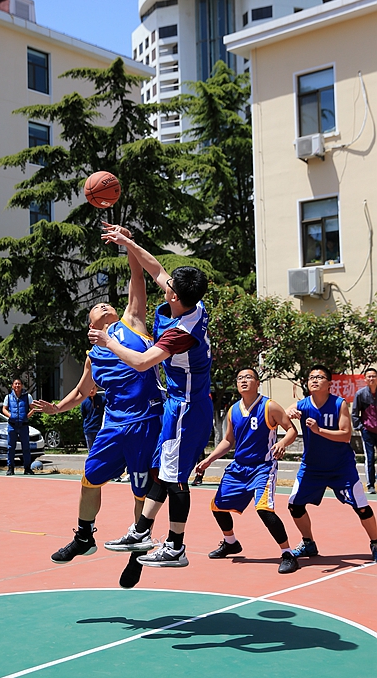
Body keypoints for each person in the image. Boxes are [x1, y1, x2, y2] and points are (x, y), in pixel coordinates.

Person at [34, 226, 163, 589]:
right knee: (90, 479)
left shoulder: (131, 323)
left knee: (141, 492)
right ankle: (84, 536)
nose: (105, 306)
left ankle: (137, 552)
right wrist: (56, 409)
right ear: (90, 324)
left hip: (145, 420)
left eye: (108, 305)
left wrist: (127, 244)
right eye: (98, 307)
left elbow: (137, 278)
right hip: (114, 424)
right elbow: (81, 392)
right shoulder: (94, 354)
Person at [88, 226, 213, 570]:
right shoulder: (192, 304)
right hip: (178, 404)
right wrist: (127, 242)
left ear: (174, 297)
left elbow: (143, 362)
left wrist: (109, 342)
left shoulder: (180, 333)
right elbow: (155, 268)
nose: (164, 284)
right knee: (162, 470)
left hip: (187, 408)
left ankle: (175, 547)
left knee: (175, 479)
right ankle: (141, 530)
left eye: (168, 287)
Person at [195, 368, 299, 574]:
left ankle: (288, 554)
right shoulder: (233, 410)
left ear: (257, 382)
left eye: (248, 377)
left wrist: (282, 443)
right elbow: (228, 441)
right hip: (239, 467)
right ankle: (230, 542)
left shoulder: (269, 406)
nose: (243, 380)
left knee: (264, 509)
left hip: (263, 467)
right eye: (240, 378)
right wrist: (209, 459)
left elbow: (292, 430)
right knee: (217, 506)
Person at [286, 364, 377, 563]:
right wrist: (289, 413)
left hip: (341, 467)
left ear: (329, 384)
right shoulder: (303, 405)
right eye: (311, 377)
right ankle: (308, 542)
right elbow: (284, 413)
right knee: (294, 505)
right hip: (312, 468)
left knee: (362, 507)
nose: (314, 380)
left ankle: (375, 542)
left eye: (319, 377)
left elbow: (345, 435)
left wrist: (319, 431)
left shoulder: (339, 404)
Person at [2, 378, 37, 476]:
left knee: (26, 447)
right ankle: (10, 468)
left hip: (23, 425)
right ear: (12, 386)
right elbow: (4, 409)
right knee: (11, 447)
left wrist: (27, 416)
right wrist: (10, 416)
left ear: (22, 385)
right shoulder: (8, 397)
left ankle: (27, 468)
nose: (17, 385)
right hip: (12, 425)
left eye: (19, 384)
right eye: (15, 384)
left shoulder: (27, 396)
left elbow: (33, 408)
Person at [352, 367, 377, 494]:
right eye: (369, 376)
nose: (371, 378)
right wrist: (361, 427)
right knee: (370, 458)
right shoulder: (360, 394)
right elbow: (355, 413)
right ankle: (370, 484)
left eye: (374, 376)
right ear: (365, 379)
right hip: (368, 431)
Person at [80, 384, 105, 451]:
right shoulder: (84, 402)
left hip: (99, 429)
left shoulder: (102, 400)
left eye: (93, 388)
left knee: (100, 450)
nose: (91, 390)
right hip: (88, 429)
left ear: (97, 388)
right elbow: (84, 415)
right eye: (89, 388)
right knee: (91, 451)